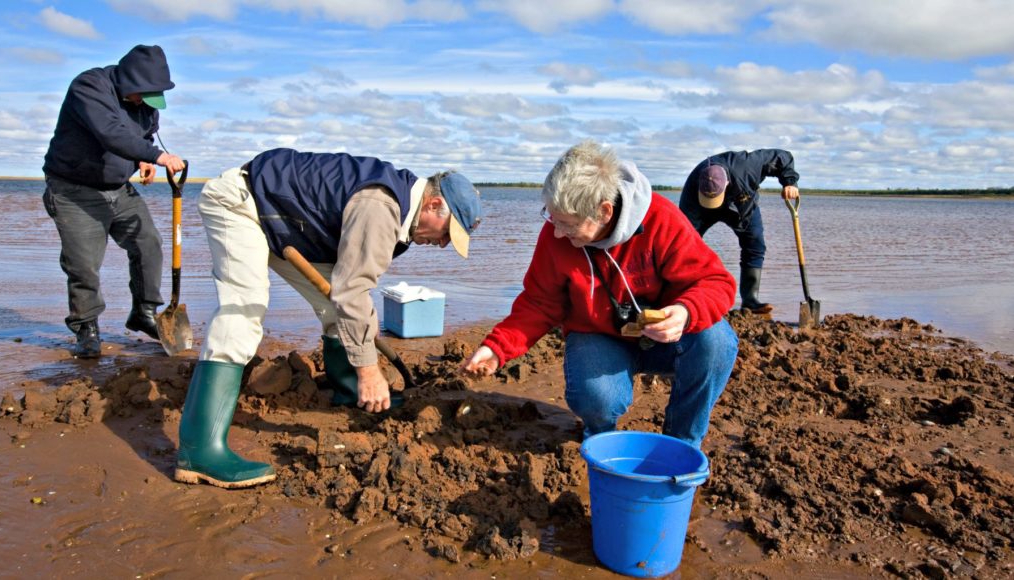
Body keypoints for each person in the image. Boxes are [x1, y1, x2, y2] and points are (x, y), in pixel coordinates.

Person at [175, 148, 483, 489]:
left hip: (285, 223)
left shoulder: (399, 210)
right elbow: (353, 292)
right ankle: (199, 450)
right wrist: (370, 371)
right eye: (446, 233)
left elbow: (348, 292)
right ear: (433, 204)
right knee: (244, 308)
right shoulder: (381, 209)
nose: (442, 244)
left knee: (338, 307)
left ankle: (348, 389)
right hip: (241, 205)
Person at [462, 141, 738, 449]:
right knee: (596, 399)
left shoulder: (662, 219)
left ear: (604, 211)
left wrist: (686, 311)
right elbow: (540, 303)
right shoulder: (556, 235)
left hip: (665, 338)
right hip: (599, 337)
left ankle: (682, 443)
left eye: (567, 224)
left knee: (716, 341)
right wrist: (497, 349)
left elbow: (717, 282)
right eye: (551, 218)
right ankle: (601, 438)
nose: (556, 233)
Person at [42, 44, 186, 359]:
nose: (144, 103)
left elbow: (144, 137)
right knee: (84, 264)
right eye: (141, 94)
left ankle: (144, 312)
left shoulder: (146, 105)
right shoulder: (89, 87)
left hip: (119, 189)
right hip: (73, 189)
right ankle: (86, 328)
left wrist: (143, 160)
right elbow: (110, 133)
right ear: (129, 81)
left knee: (149, 243)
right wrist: (157, 156)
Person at [678, 149, 800, 314]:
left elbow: (783, 157)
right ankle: (682, 295)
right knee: (685, 247)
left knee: (755, 245)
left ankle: (750, 300)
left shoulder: (748, 165)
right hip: (701, 211)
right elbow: (681, 237)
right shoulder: (692, 190)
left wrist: (790, 182)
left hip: (741, 207)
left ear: (726, 183)